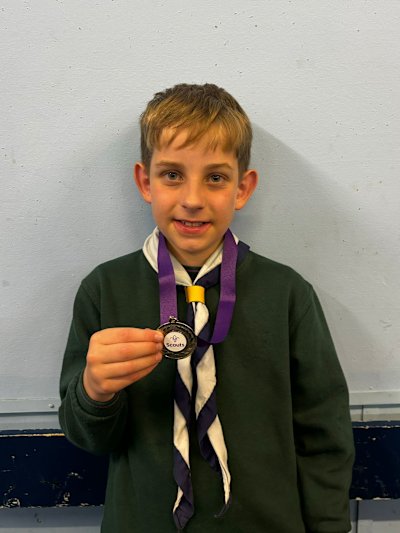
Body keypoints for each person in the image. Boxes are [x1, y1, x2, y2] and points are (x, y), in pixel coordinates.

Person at [59, 83, 354, 533]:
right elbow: (88, 438)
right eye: (172, 174)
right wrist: (94, 392)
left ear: (243, 187)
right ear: (144, 182)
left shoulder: (287, 294)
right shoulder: (104, 290)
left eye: (215, 177)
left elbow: (324, 437)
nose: (192, 198)